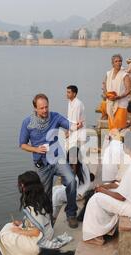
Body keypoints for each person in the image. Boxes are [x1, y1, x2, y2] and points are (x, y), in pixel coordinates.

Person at [83, 130, 131, 246]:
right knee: (107, 192)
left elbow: (120, 197)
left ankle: (94, 236)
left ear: (128, 148)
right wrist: (108, 186)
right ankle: (108, 229)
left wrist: (102, 190)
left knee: (95, 199)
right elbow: (124, 185)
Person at [19, 93, 83, 228]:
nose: (45, 110)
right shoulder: (27, 123)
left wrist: (76, 126)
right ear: (35, 108)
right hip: (42, 165)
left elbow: (68, 124)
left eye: (46, 107)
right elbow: (22, 144)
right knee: (45, 194)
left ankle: (71, 213)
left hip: (58, 159)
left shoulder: (55, 116)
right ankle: (48, 219)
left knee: (71, 180)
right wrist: (36, 149)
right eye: (41, 108)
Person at [0, 172, 72, 255]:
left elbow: (36, 232)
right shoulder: (42, 198)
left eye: (20, 184)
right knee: (9, 225)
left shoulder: (32, 207)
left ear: (24, 186)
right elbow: (39, 221)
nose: (18, 186)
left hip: (39, 242)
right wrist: (21, 223)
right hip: (49, 233)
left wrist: (19, 231)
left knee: (4, 235)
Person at [52, 147, 92, 218]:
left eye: (74, 156)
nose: (72, 158)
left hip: (78, 193)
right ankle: (51, 209)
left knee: (57, 195)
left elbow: (87, 183)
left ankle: (53, 215)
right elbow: (65, 182)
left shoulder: (83, 166)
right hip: (70, 189)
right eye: (70, 156)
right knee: (54, 189)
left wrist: (80, 193)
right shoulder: (67, 165)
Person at [103, 54, 131, 130]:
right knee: (112, 127)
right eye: (116, 61)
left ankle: (118, 141)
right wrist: (106, 94)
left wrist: (119, 97)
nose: (118, 63)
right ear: (112, 63)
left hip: (121, 104)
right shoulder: (108, 73)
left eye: (120, 61)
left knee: (119, 128)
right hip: (110, 102)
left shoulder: (125, 75)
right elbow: (104, 85)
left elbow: (128, 90)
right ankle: (113, 141)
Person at [66, 85, 86, 149]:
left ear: (74, 94)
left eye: (69, 92)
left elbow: (78, 123)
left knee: (75, 153)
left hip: (78, 132)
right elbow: (69, 119)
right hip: (73, 131)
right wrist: (67, 130)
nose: (67, 94)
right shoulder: (70, 102)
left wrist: (69, 133)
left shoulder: (78, 104)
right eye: (67, 92)